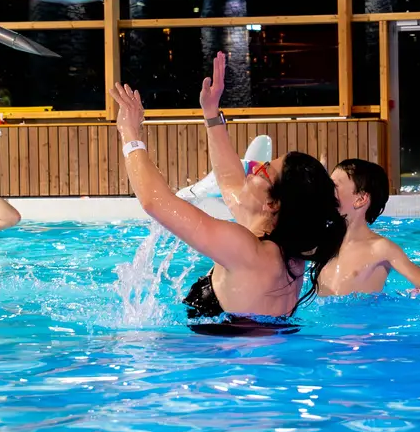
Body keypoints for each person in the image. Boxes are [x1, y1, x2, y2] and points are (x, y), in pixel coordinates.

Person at [111, 54, 344, 334]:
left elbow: (155, 202)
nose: (253, 170)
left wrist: (129, 134)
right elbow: (230, 181)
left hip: (225, 365)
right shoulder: (286, 253)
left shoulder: (248, 250)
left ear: (272, 203)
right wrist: (212, 114)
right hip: (256, 363)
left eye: (264, 171)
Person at [319, 157, 420, 296]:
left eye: (334, 185)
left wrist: (412, 297)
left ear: (361, 199)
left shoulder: (381, 248)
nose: (327, 190)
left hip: (359, 317)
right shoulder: (323, 243)